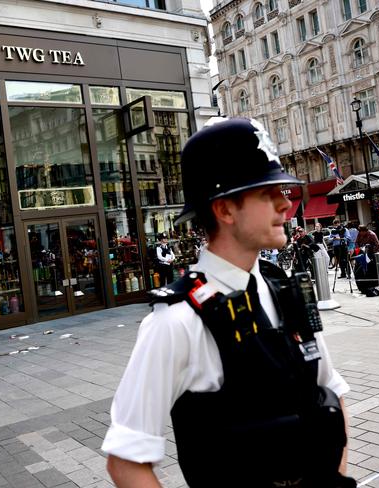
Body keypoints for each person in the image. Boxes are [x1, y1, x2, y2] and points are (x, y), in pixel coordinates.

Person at [103, 117, 354, 488]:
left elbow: (332, 395)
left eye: (283, 190)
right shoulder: (176, 321)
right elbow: (126, 462)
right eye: (267, 193)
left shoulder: (285, 290)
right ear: (224, 210)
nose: (286, 203)